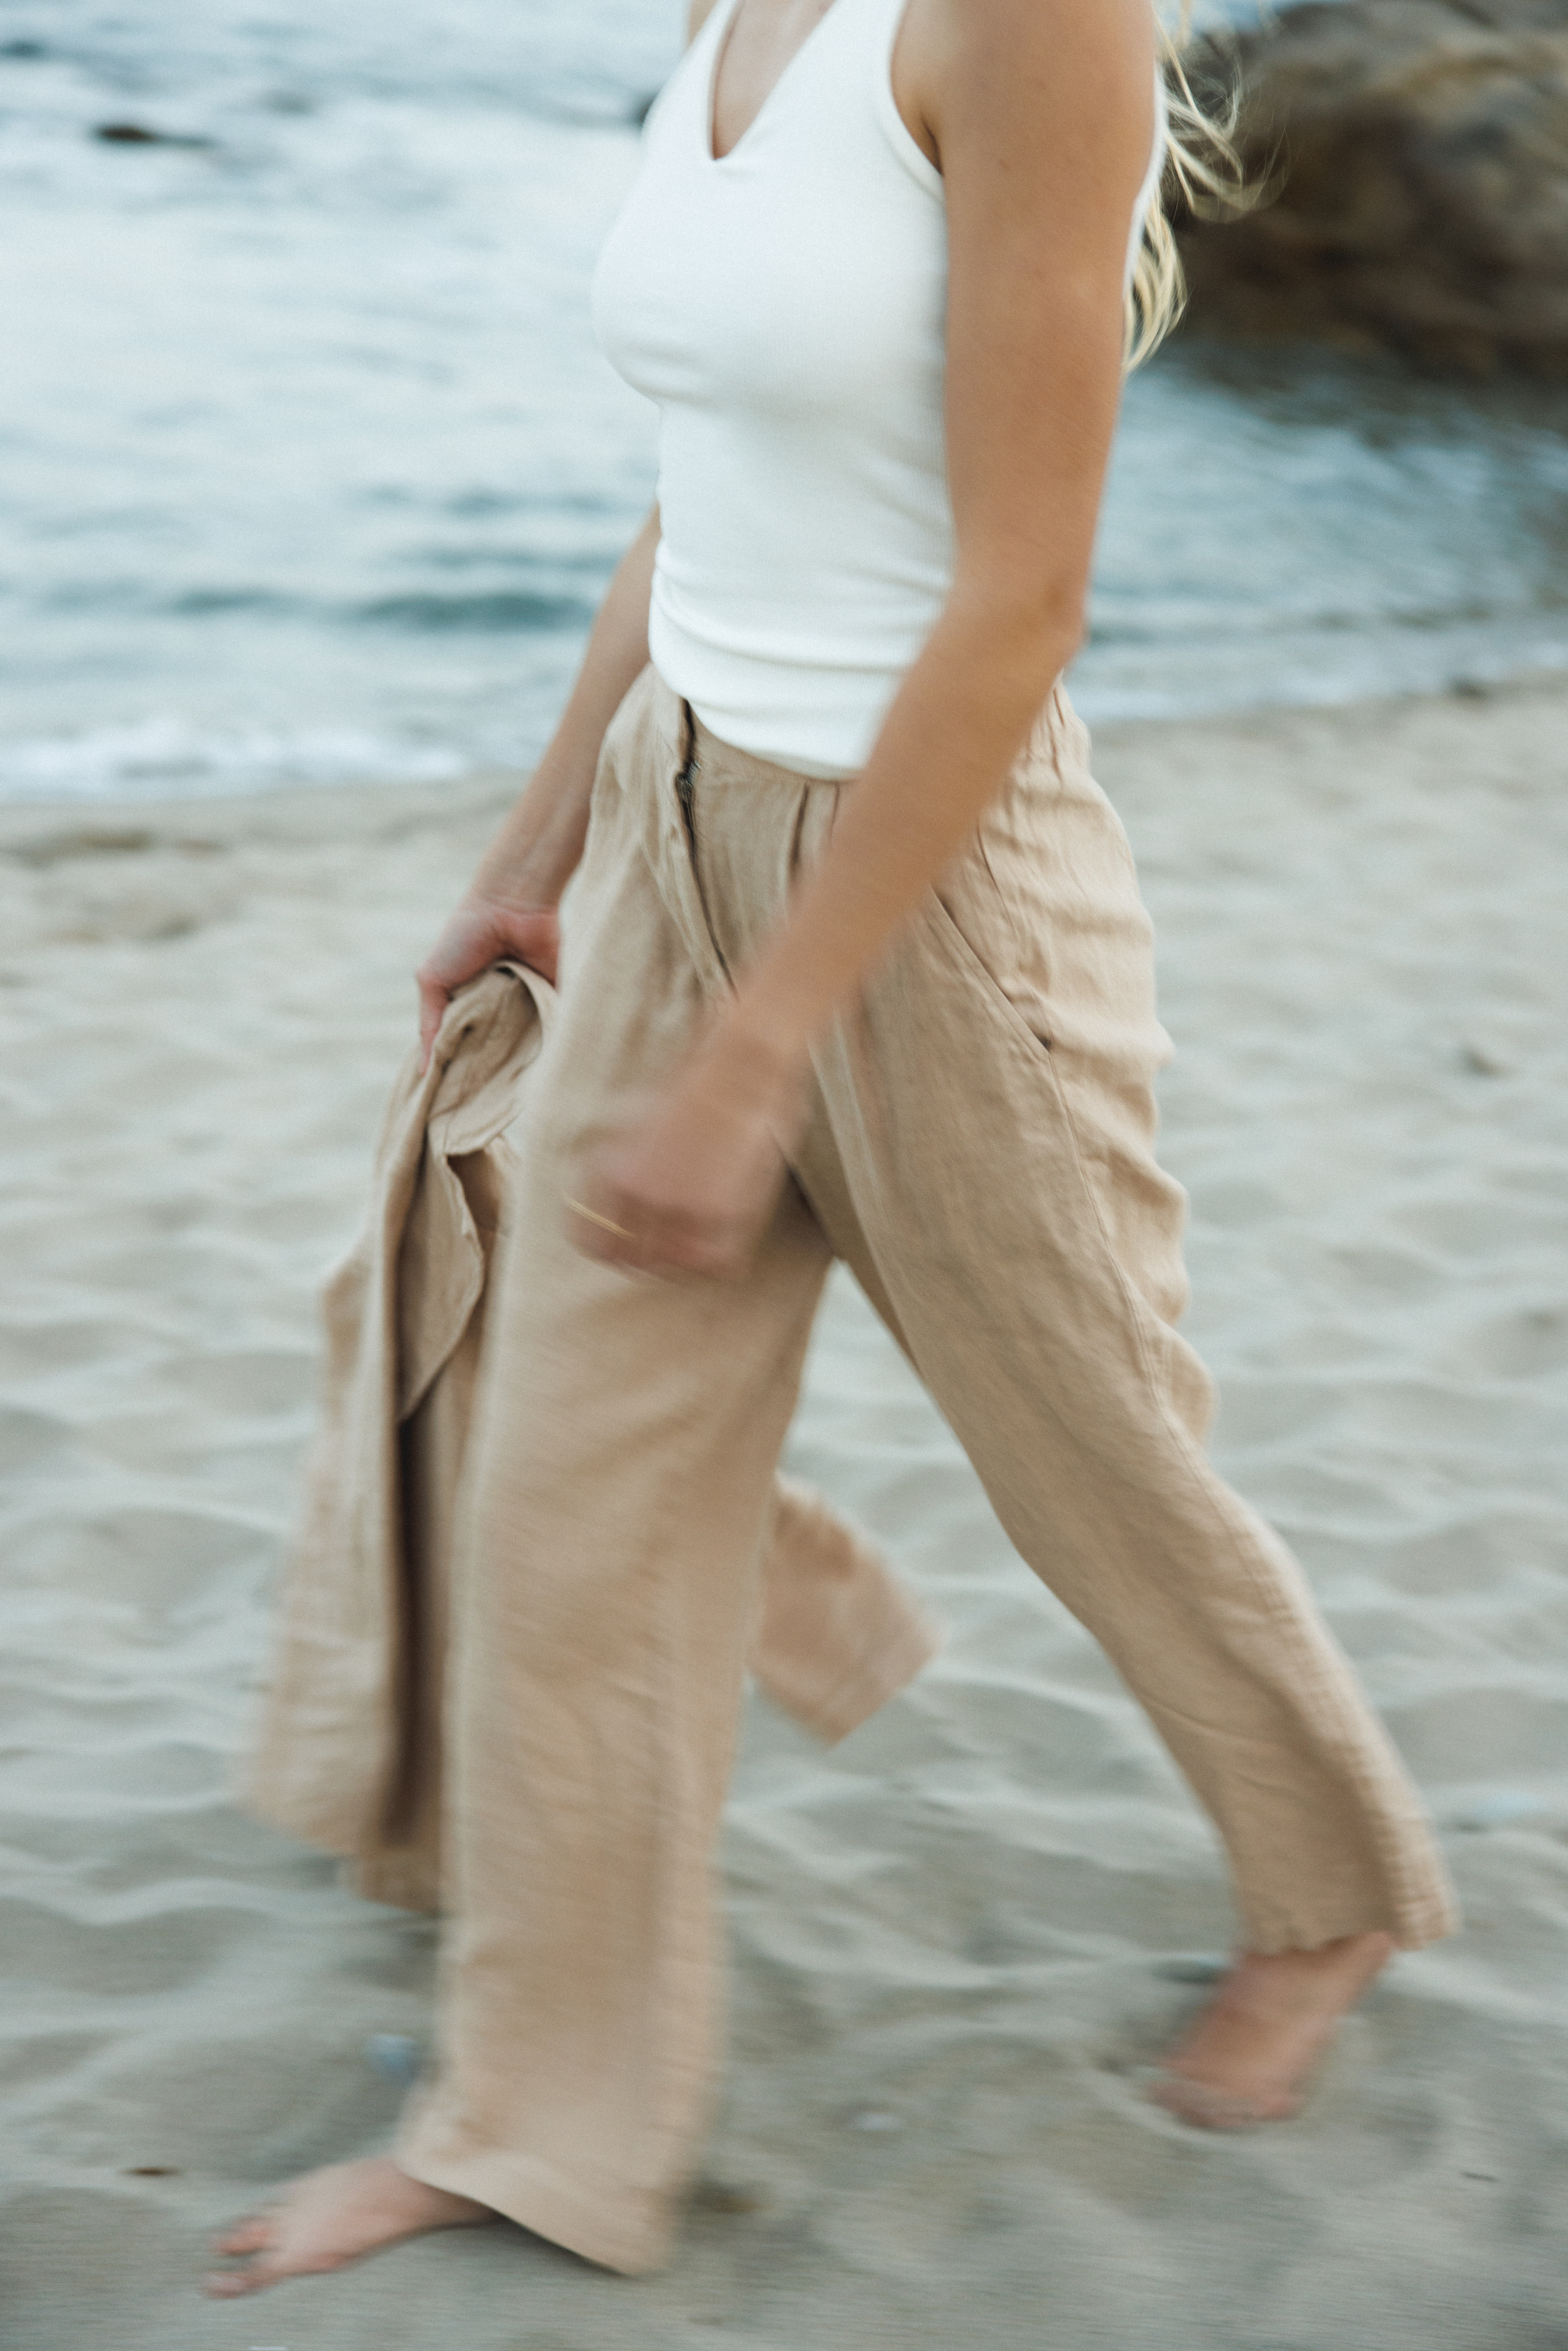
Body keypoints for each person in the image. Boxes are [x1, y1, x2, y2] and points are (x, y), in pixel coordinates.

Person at [207, 0, 1456, 2297]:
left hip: (938, 894)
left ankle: (1337, 1889)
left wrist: (765, 1053)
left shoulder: (1031, 24)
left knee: (1102, 1460)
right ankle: (532, 2127)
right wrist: (534, 845)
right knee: (569, 1498)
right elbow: (701, 493)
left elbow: (1022, 593)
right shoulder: (723, 13)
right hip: (680, 816)